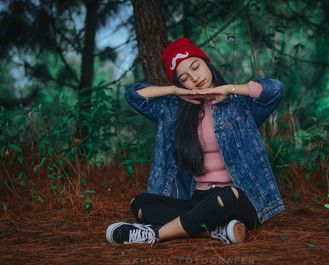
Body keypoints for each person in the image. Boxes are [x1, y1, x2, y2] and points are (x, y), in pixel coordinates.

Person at [105, 38, 285, 245]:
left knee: (226, 196)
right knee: (139, 203)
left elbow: (276, 89)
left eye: (195, 67)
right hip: (199, 201)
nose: (194, 77)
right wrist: (173, 91)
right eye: (184, 77)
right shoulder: (174, 112)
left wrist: (229, 89)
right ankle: (215, 231)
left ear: (206, 63)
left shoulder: (239, 106)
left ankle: (153, 235)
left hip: (238, 199)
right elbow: (134, 96)